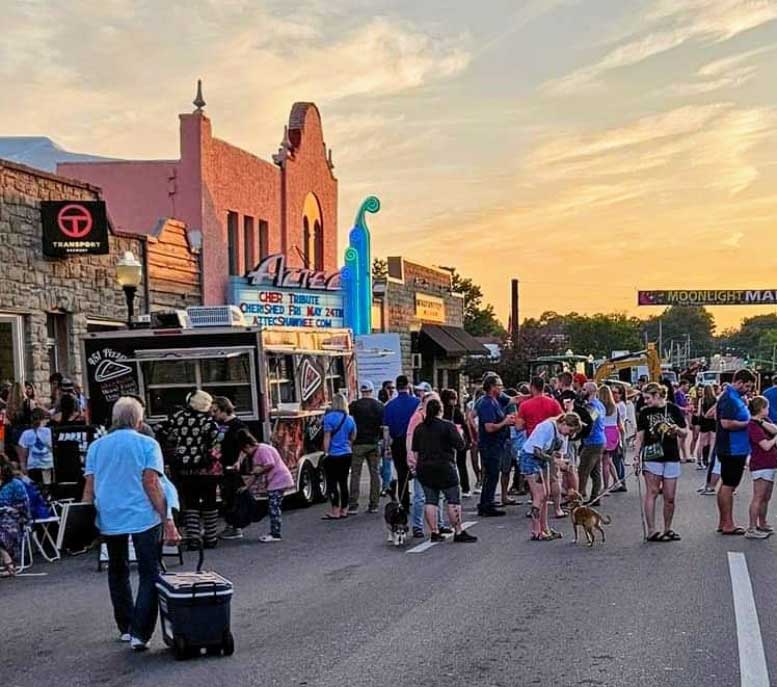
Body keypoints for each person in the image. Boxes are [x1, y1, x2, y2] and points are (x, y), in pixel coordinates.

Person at [82, 397, 181, 650]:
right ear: (139, 420)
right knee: (150, 572)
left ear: (115, 419)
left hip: (109, 516)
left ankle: (125, 625)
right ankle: (140, 632)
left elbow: (89, 488)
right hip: (142, 516)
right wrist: (167, 518)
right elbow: (152, 483)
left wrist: (84, 520)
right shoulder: (148, 444)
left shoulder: (96, 447)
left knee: (117, 570)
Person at [156, 390, 221, 548]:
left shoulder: (177, 418)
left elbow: (160, 430)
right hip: (207, 470)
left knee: (190, 502)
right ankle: (210, 537)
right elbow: (216, 446)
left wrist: (175, 450)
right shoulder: (209, 423)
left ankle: (193, 538)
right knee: (209, 502)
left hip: (184, 467)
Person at [411, 398, 477, 543]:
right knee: (453, 499)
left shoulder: (419, 428)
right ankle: (458, 531)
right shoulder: (447, 426)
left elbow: (415, 452)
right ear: (440, 411)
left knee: (430, 500)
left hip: (425, 468)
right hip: (445, 467)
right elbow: (460, 445)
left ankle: (434, 532)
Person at [633, 382, 687, 542]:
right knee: (652, 492)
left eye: (648, 398)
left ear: (657, 395)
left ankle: (668, 528)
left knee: (670, 496)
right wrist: (636, 457)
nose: (646, 401)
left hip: (671, 455)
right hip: (652, 455)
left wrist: (676, 429)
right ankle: (651, 530)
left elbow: (684, 432)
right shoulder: (644, 412)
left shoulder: (673, 409)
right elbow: (640, 436)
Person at [520, 413, 582, 541]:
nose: (568, 435)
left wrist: (564, 465)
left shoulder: (563, 435)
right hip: (531, 458)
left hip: (544, 461)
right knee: (539, 495)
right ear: (564, 423)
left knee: (547, 494)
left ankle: (545, 528)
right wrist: (555, 460)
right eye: (569, 431)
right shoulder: (547, 427)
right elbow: (536, 450)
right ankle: (536, 530)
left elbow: (560, 454)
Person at [715, 369, 756, 536]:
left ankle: (723, 521)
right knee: (729, 485)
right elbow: (726, 423)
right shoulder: (730, 399)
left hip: (736, 448)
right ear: (738, 382)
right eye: (747, 386)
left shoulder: (735, 398)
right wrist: (748, 423)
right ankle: (728, 523)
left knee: (726, 483)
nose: (748, 389)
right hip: (732, 448)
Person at [234, 431, 293, 542]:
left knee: (274, 508)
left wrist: (259, 470)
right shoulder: (257, 453)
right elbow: (256, 474)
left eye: (245, 450)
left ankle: (275, 534)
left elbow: (270, 464)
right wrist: (247, 486)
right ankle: (274, 532)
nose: (246, 453)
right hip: (275, 481)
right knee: (273, 507)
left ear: (248, 446)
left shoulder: (263, 450)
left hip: (279, 480)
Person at [407, 393, 450, 537]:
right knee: (420, 496)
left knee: (438, 496)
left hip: (436, 462)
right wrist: (412, 461)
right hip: (422, 462)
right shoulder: (418, 419)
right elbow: (410, 441)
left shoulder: (437, 420)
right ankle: (417, 526)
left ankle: (439, 524)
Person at [476, 374, 515, 517]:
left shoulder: (495, 400)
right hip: (490, 445)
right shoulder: (487, 403)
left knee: (492, 475)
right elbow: (489, 427)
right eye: (499, 386)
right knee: (491, 475)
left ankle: (487, 502)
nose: (501, 388)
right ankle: (486, 505)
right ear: (492, 387)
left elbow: (513, 399)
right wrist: (505, 422)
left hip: (496, 444)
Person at [211, 397, 248, 540]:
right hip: (221, 466)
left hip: (232, 466)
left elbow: (246, 445)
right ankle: (230, 525)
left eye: (216, 411)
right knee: (226, 496)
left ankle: (235, 527)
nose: (213, 414)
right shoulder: (221, 425)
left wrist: (239, 461)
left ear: (224, 409)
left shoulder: (238, 425)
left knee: (233, 496)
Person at [348, 381, 386, 514]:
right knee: (374, 473)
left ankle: (353, 505)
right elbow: (383, 426)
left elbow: (349, 423)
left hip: (358, 443)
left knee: (355, 474)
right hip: (373, 442)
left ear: (361, 391)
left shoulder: (353, 406)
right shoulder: (379, 406)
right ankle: (374, 504)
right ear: (371, 390)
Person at [383, 375, 420, 510]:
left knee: (401, 473)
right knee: (417, 470)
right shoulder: (417, 403)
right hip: (414, 441)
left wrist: (387, 447)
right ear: (407, 385)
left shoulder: (389, 406)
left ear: (396, 388)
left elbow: (386, 429)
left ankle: (404, 503)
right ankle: (420, 500)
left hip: (397, 443)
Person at [745, 396, 777, 539]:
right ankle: (751, 528)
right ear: (761, 409)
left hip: (770, 464)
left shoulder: (762, 422)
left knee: (766, 497)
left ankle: (762, 523)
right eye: (767, 408)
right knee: (758, 496)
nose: (768, 410)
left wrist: (762, 422)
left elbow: (775, 429)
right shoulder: (752, 425)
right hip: (761, 464)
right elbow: (765, 445)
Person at [322, 393, 357, 520]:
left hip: (333, 455)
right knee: (343, 482)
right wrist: (347, 443)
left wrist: (326, 453)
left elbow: (327, 437)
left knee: (332, 483)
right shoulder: (350, 419)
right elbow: (353, 437)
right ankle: (344, 509)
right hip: (346, 454)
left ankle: (335, 510)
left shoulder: (328, 418)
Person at [0, 455, 30, 577]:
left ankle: (7, 560)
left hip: (15, 520)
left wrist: (6, 509)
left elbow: (24, 508)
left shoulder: (15, 484)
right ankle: (6, 557)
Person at [577, 382, 606, 503]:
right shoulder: (600, 404)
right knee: (595, 471)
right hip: (600, 439)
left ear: (591, 391)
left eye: (584, 389)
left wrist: (583, 432)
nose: (582, 391)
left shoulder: (591, 406)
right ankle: (595, 497)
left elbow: (591, 421)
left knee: (583, 470)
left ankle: (579, 496)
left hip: (592, 441)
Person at [441, 389, 471, 497]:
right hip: (458, 439)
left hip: (445, 442)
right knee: (461, 465)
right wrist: (469, 440)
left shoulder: (441, 412)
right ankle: (465, 488)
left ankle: (446, 490)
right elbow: (464, 425)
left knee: (447, 465)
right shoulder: (456, 411)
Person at [17, 408, 54, 486]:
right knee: (49, 487)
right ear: (44, 419)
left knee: (36, 489)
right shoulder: (50, 431)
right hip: (48, 465)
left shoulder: (26, 434)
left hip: (33, 466)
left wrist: (23, 466)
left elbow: (23, 455)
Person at [598, 385, 623, 494]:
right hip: (614, 432)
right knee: (608, 460)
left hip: (604, 432)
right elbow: (619, 422)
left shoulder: (599, 407)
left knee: (605, 462)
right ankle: (617, 481)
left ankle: (606, 487)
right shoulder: (615, 407)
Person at [3, 382, 27, 462]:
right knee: (24, 461)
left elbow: (5, 422)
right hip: (24, 434)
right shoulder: (26, 404)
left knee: (14, 460)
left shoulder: (8, 406)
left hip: (12, 434)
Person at [674, 380, 692, 462]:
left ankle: (685, 455)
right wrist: (684, 408)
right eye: (687, 386)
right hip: (679, 417)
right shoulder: (678, 394)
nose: (688, 388)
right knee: (680, 437)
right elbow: (676, 405)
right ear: (683, 385)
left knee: (684, 437)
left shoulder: (682, 394)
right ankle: (678, 456)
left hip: (683, 416)